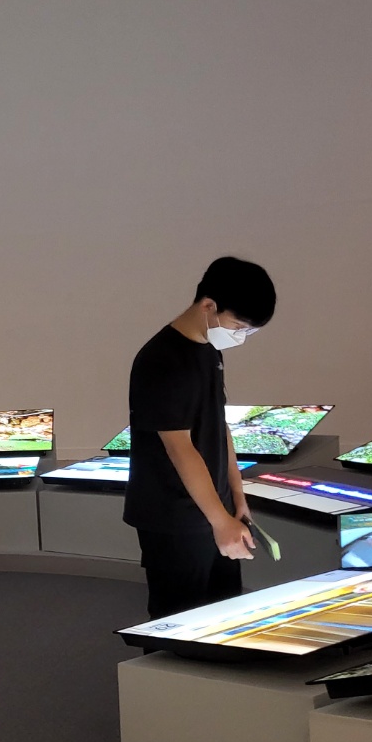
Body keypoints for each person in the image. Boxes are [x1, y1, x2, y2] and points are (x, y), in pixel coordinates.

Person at [123, 257, 277, 619]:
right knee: (178, 618)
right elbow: (180, 449)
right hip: (174, 516)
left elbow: (219, 427)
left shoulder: (209, 351)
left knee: (223, 611)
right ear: (208, 306)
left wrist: (236, 498)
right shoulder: (161, 360)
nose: (240, 335)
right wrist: (220, 520)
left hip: (214, 507)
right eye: (238, 326)